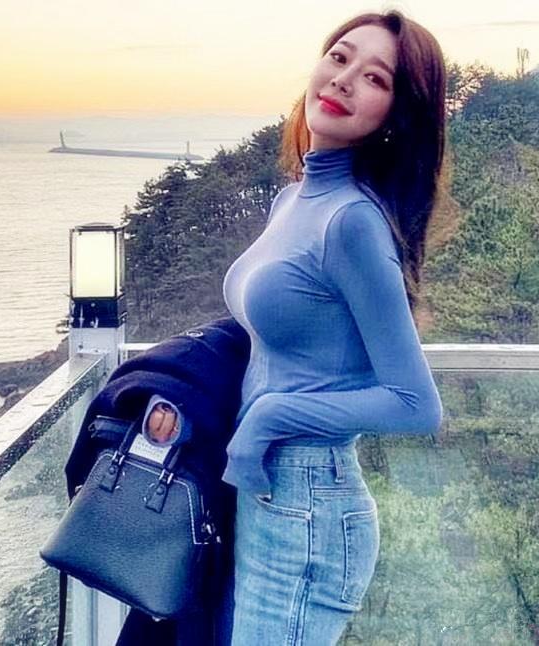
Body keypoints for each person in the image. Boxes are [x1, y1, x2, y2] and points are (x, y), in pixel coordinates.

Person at [148, 9, 446, 645]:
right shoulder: (293, 200)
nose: (344, 79)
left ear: (396, 117)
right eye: (339, 57)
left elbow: (415, 404)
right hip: (267, 490)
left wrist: (270, 416)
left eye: (375, 78)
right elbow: (270, 337)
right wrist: (180, 389)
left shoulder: (352, 222)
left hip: (310, 502)